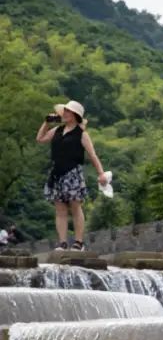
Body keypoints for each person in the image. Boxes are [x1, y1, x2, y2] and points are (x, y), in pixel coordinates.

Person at [35, 100, 108, 251]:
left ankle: (79, 242)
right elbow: (40, 139)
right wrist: (46, 123)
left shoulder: (82, 134)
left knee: (75, 207)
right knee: (60, 210)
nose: (65, 114)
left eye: (68, 111)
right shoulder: (57, 130)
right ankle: (62, 242)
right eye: (65, 111)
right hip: (57, 173)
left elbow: (92, 155)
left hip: (73, 172)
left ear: (75, 115)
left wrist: (101, 173)